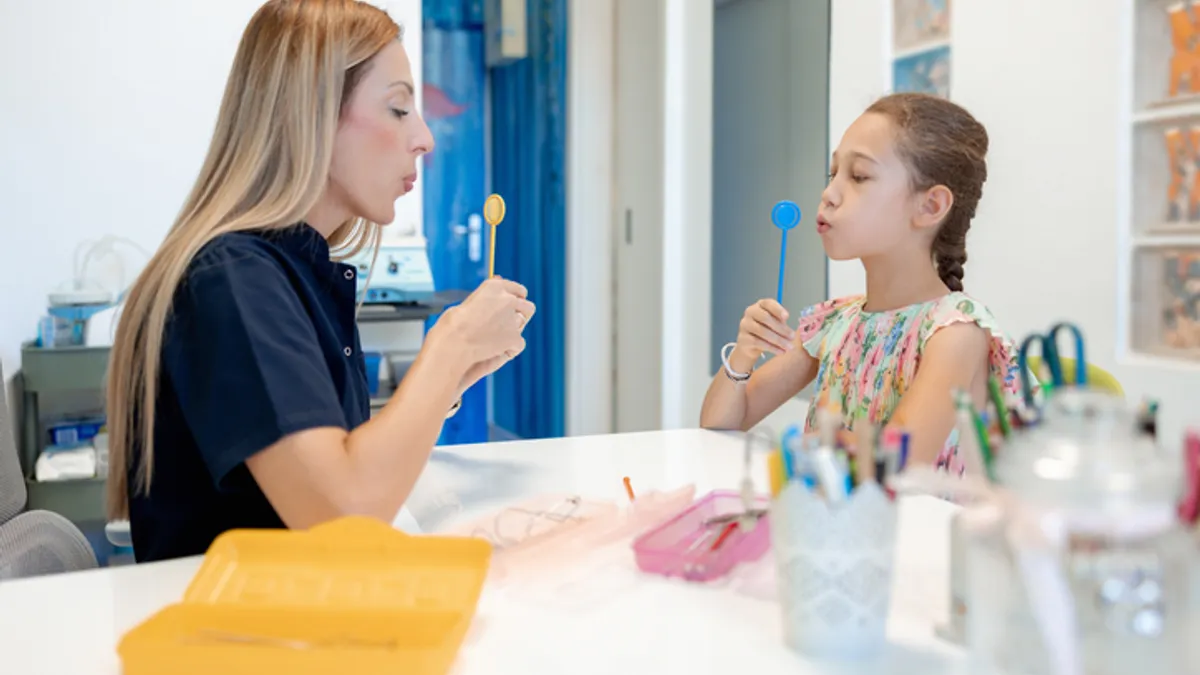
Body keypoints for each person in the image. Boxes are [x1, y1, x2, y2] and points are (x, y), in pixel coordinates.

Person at [105, 0, 535, 562]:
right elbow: (342, 513)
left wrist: (450, 385)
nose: (425, 138)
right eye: (399, 109)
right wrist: (449, 347)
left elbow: (329, 457)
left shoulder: (291, 270)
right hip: (244, 634)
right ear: (311, 115)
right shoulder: (231, 279)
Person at [700, 93, 1020, 471]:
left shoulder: (955, 334)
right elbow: (719, 423)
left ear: (930, 206)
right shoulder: (834, 323)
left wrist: (804, 445)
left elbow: (893, 464)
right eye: (832, 174)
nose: (829, 194)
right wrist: (744, 354)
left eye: (858, 176)